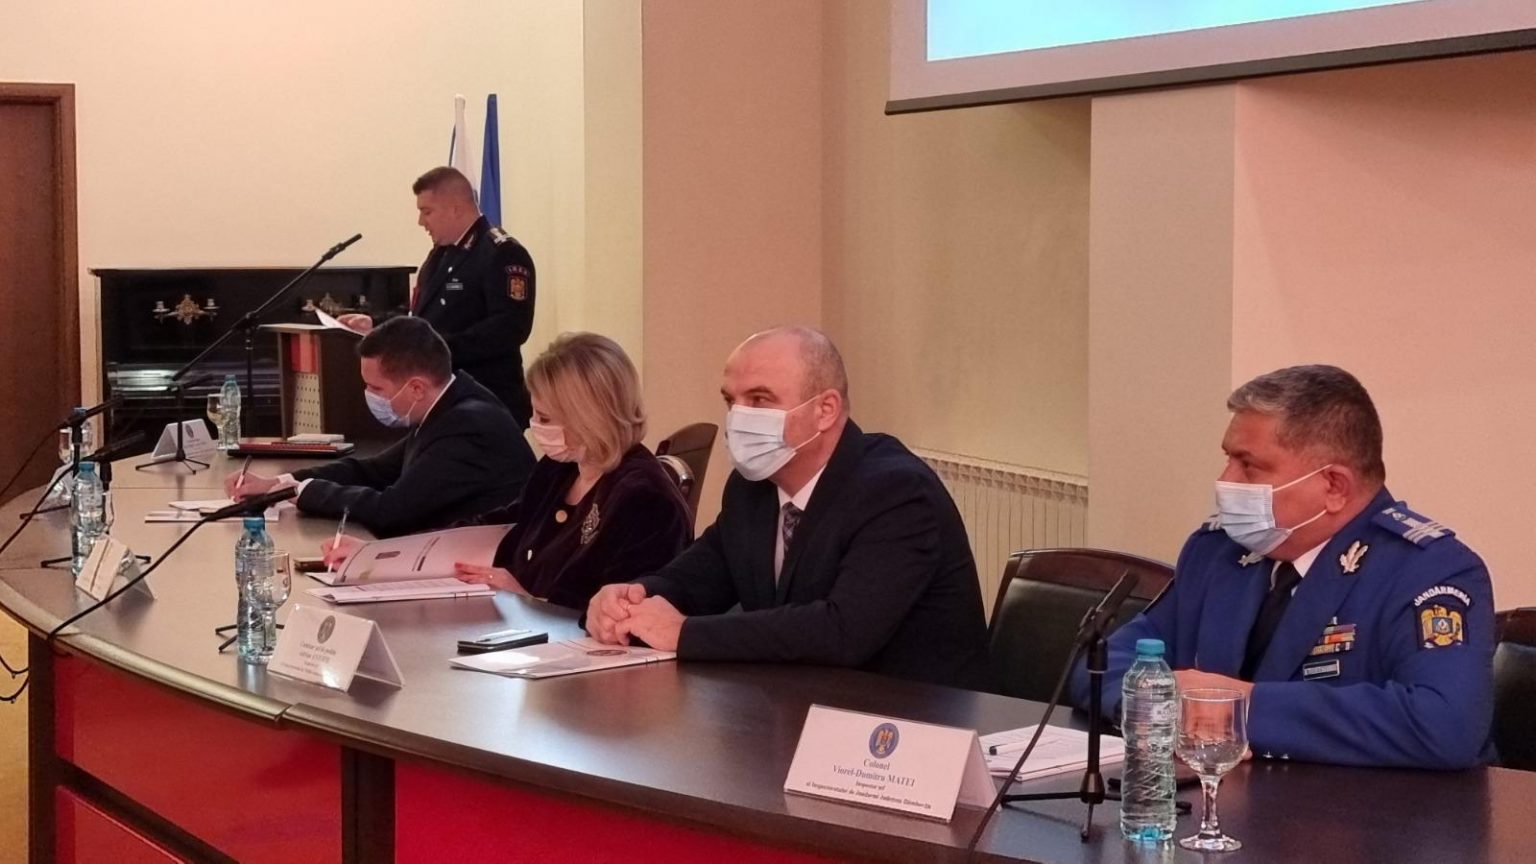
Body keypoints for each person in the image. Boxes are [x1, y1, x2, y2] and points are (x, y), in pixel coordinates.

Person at [1072, 365, 1494, 769]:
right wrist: (1159, 706)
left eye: (1248, 465)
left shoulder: (1429, 570)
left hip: (1368, 814)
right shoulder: (1219, 553)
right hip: (1216, 801)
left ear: (1334, 486)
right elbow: (1102, 663)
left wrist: (1240, 709)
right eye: (1228, 459)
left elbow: (1446, 724)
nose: (1226, 480)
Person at [585, 327, 991, 688]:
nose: (739, 417)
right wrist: (631, 599)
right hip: (793, 708)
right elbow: (699, 578)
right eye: (731, 401)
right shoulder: (751, 488)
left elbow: (843, 631)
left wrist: (684, 633)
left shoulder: (896, 491)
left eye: (759, 399)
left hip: (908, 725)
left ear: (825, 410)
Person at [323, 332, 693, 611]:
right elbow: (496, 525)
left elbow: (620, 611)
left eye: (545, 417)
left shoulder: (644, 498)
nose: (535, 427)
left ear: (587, 417)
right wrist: (379, 556)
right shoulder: (560, 468)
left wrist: (527, 597)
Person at [227, 316, 535, 538]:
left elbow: (392, 511)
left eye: (376, 388)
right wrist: (279, 483)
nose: (369, 396)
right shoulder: (447, 405)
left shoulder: (468, 425)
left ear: (416, 388)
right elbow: (373, 471)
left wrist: (304, 491)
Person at [339, 166, 536, 427]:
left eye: (427, 211)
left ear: (455, 208)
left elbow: (509, 328)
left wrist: (435, 351)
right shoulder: (441, 253)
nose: (421, 222)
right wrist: (376, 324)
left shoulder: (501, 253)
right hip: (443, 399)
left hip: (486, 399)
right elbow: (421, 314)